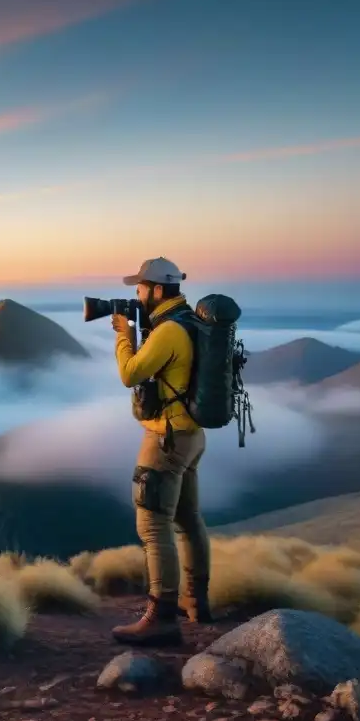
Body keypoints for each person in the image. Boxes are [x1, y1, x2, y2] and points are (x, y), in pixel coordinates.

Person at [109, 256, 213, 646]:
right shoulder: (191, 321)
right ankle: (196, 601)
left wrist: (123, 335)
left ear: (155, 289)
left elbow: (130, 374)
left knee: (153, 525)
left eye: (139, 288)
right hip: (192, 436)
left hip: (166, 439)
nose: (136, 295)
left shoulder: (168, 331)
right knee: (188, 519)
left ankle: (162, 616)